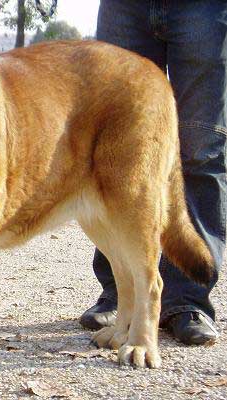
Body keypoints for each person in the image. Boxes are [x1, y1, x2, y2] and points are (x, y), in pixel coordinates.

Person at [80, 0, 226, 345]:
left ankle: (188, 300)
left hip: (204, 7)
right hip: (124, 7)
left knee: (200, 150)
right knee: (113, 157)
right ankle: (122, 295)